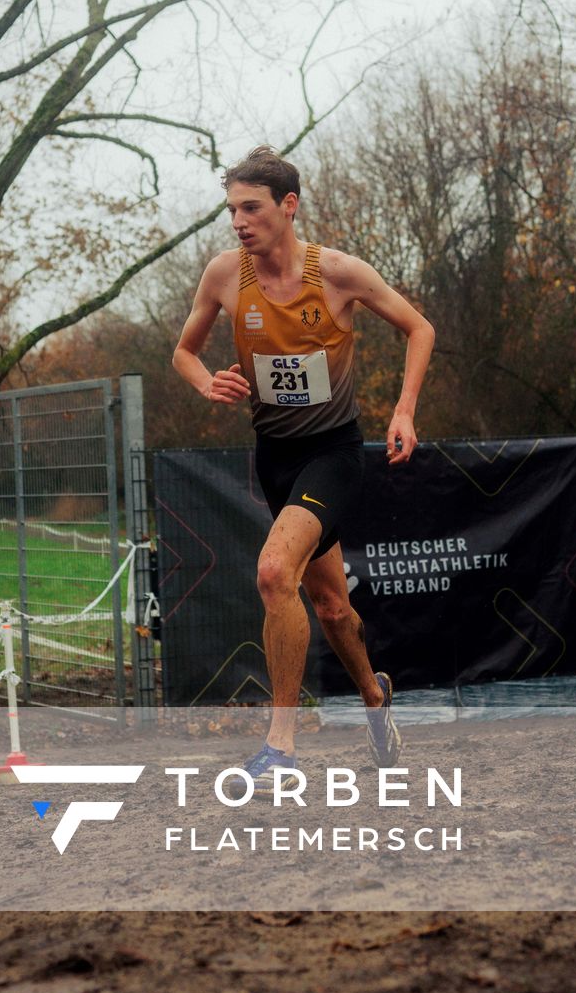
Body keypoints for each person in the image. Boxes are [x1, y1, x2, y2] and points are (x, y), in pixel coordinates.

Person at [173, 145, 434, 789]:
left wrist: (403, 412)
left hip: (334, 454)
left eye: (250, 207)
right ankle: (376, 702)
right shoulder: (224, 276)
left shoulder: (340, 273)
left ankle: (280, 748)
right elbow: (183, 352)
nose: (238, 220)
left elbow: (419, 328)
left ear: (288, 206)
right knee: (330, 607)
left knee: (272, 570)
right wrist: (208, 382)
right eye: (231, 209)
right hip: (277, 458)